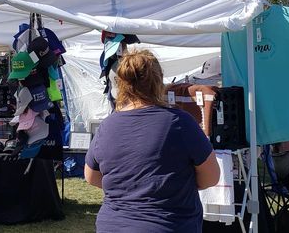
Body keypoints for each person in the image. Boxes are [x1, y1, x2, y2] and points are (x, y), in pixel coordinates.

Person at [84, 49, 220, 233]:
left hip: (113, 225)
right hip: (167, 224)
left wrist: (129, 189)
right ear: (158, 80)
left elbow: (91, 176)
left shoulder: (107, 125)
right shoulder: (179, 122)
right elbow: (211, 177)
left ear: (122, 83)